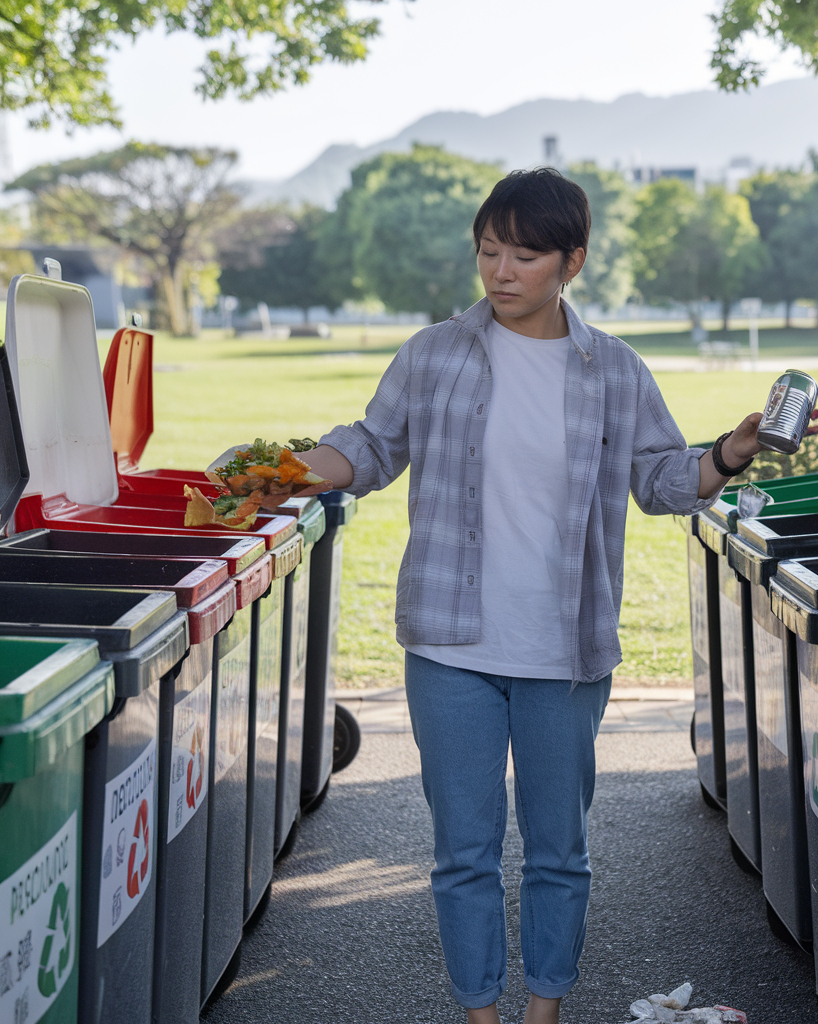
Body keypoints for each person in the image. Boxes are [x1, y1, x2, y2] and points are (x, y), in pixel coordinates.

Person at [274, 168, 785, 1024]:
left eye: (524, 254)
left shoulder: (613, 370)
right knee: (462, 852)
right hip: (448, 646)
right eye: (487, 251)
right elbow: (368, 448)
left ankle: (543, 1014)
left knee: (560, 852)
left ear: (571, 260)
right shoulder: (434, 353)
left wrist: (729, 451)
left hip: (566, 650)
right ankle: (482, 1016)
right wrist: (277, 471)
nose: (501, 271)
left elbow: (662, 483)